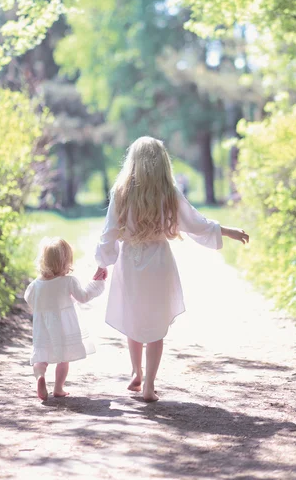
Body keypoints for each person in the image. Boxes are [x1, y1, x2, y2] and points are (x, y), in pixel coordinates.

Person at [93, 136, 249, 403]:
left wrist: (102, 263)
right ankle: (149, 385)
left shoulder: (120, 191)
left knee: (133, 318)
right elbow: (195, 223)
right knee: (155, 326)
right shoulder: (169, 192)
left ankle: (136, 372)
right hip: (158, 262)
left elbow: (109, 233)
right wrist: (228, 231)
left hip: (130, 262)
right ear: (162, 162)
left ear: (133, 162)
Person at [24, 237, 106, 401]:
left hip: (43, 328)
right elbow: (83, 296)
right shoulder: (69, 281)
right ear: (66, 262)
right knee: (63, 359)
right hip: (63, 327)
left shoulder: (36, 284)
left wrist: (42, 307)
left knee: (40, 358)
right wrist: (97, 283)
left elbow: (28, 299)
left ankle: (40, 376)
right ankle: (58, 388)